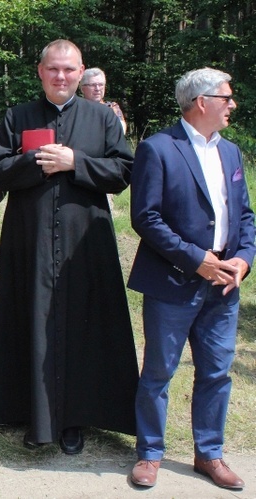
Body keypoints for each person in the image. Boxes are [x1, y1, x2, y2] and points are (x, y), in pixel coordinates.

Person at [0, 39, 138, 454]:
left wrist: (76, 163)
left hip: (83, 245)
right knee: (31, 320)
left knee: (80, 327)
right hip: (29, 241)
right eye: (53, 69)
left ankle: (74, 419)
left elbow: (123, 171)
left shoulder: (102, 119)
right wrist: (34, 162)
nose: (61, 77)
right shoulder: (18, 116)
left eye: (69, 70)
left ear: (81, 71)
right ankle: (29, 412)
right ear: (40, 71)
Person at [127, 68, 253, 490]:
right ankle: (149, 453)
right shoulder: (158, 148)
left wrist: (244, 261)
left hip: (223, 282)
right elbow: (145, 217)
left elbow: (246, 216)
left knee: (217, 371)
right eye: (226, 97)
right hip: (174, 279)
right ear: (202, 102)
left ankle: (210, 454)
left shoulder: (231, 153)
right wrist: (195, 259)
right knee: (160, 370)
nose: (232, 104)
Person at [80, 67, 127, 133]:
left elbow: (120, 131)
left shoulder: (112, 108)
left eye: (101, 84)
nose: (97, 89)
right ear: (82, 88)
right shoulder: (76, 109)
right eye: (93, 85)